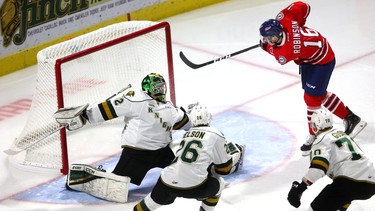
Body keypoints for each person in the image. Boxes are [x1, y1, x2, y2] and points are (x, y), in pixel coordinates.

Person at [54, 73, 191, 202]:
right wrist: (85, 116)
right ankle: (79, 178)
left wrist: (197, 119)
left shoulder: (168, 106)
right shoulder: (134, 97)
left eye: (162, 88)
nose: (160, 91)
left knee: (184, 175)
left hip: (162, 152)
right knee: (116, 187)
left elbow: (183, 121)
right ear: (148, 88)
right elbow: (108, 109)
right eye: (156, 88)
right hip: (137, 154)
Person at [258, 1, 367, 155]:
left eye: (269, 39)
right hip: (310, 58)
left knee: (311, 98)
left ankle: (314, 135)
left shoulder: (287, 51)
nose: (267, 41)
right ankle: (350, 118)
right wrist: (299, 25)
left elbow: (277, 55)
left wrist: (265, 47)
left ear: (278, 36)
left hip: (322, 61)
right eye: (265, 39)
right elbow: (303, 6)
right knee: (317, 95)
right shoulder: (284, 19)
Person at [133, 103, 245, 211]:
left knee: (149, 204)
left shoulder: (186, 134)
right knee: (219, 183)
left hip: (166, 181)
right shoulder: (215, 133)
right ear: (209, 117)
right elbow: (224, 170)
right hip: (195, 187)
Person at [287, 108, 375, 210]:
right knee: (337, 200)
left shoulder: (321, 140)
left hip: (349, 182)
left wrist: (300, 188)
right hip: (371, 182)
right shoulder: (342, 134)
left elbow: (318, 168)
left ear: (316, 125)